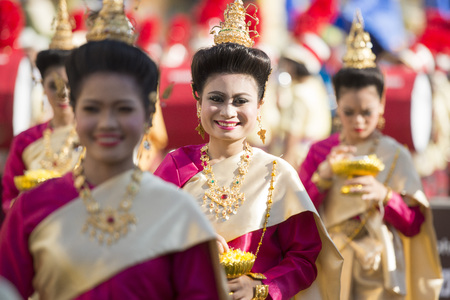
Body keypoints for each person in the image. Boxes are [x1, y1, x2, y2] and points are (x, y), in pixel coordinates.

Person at [0, 37, 229, 299]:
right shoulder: (32, 209)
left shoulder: (178, 214)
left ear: (147, 117)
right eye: (92, 108)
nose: (107, 123)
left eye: (123, 109)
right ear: (75, 112)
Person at [155, 1, 342, 299]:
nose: (228, 111)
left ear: (259, 106)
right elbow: (146, 245)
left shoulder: (278, 175)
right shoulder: (176, 167)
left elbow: (304, 259)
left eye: (241, 101)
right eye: (216, 98)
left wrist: (261, 285)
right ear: (198, 99)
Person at [298, 12, 442, 300]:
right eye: (349, 112)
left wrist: (386, 196)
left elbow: (414, 225)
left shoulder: (396, 154)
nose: (359, 121)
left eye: (367, 113)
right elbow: (298, 220)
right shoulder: (321, 152)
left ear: (383, 104)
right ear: (336, 105)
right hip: (329, 265)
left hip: (377, 271)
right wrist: (323, 178)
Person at [1, 0, 81, 213]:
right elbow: (7, 199)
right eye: (54, 86)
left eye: (70, 84)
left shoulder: (95, 136)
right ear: (41, 86)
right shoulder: (25, 141)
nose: (63, 93)